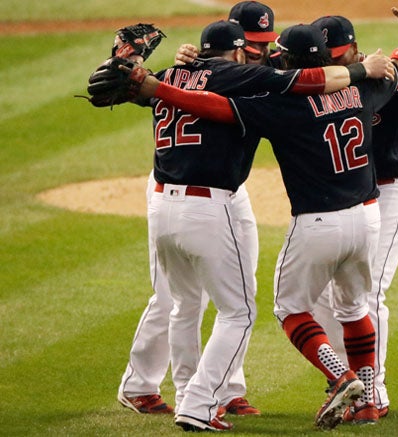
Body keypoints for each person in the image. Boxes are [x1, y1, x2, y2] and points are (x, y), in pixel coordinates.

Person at [125, 7, 398, 429]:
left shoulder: (283, 109)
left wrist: (158, 85)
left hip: (317, 226)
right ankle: (370, 399)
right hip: (368, 218)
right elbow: (396, 68)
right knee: (355, 308)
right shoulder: (363, 92)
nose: (268, 57)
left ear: (288, 59)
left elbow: (210, 107)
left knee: (290, 311)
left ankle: (341, 376)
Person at [118, 0, 283, 418]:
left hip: (221, 190)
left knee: (234, 293)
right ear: (236, 41)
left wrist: (175, 71)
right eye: (254, 43)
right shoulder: (237, 69)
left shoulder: (216, 64)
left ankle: (223, 389)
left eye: (267, 41)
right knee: (177, 298)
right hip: (184, 190)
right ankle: (154, 386)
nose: (262, 49)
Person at [309, 14, 398, 423]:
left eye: (340, 53)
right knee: (330, 296)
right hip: (355, 200)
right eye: (328, 55)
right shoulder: (318, 78)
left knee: (369, 291)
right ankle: (347, 382)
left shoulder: (380, 75)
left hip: (393, 191)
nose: (335, 60)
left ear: (353, 48)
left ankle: (374, 392)